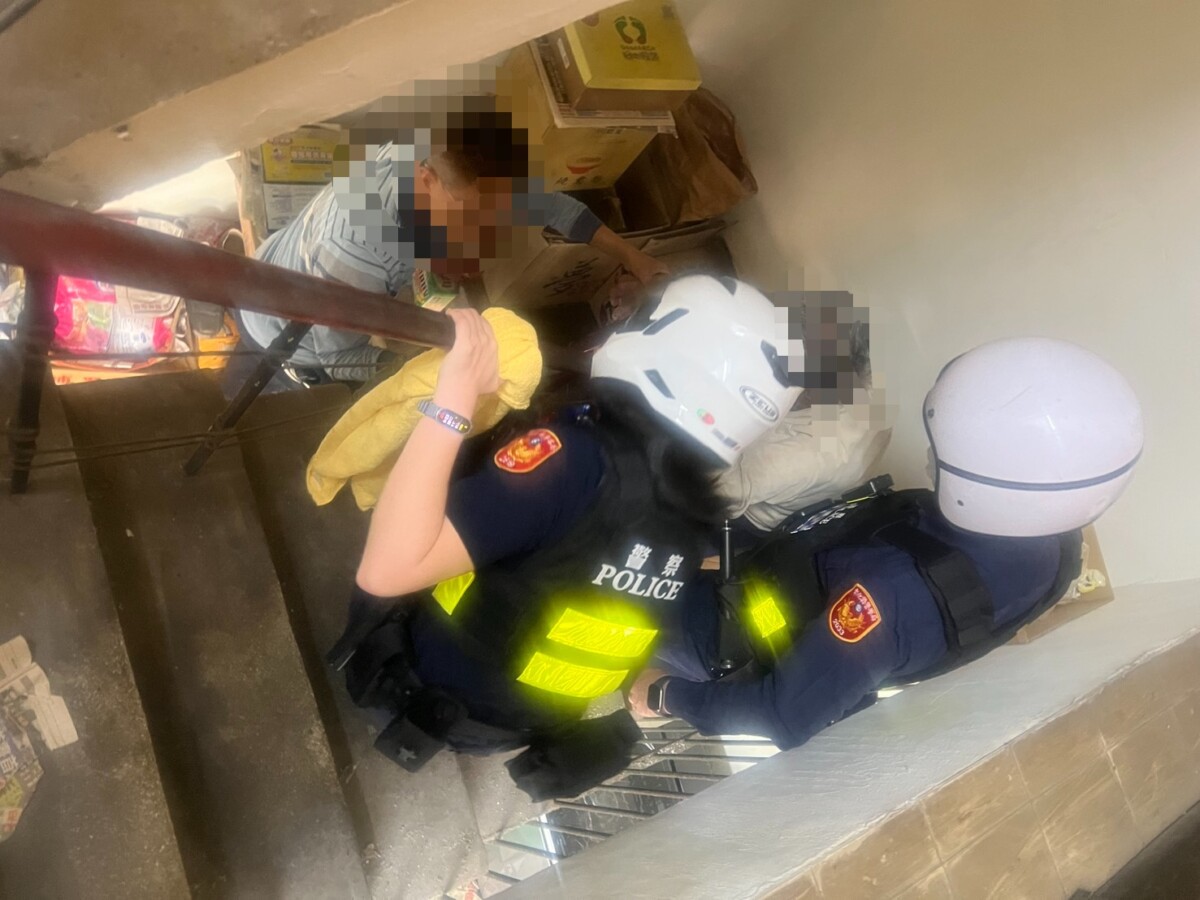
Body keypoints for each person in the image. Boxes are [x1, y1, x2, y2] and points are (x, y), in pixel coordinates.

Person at [329, 274, 802, 798]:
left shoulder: (579, 463)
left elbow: (387, 570)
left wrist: (455, 394)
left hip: (409, 677)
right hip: (505, 728)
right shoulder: (695, 528)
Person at [628, 337, 1144, 750]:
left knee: (620, 609)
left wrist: (664, 694)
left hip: (723, 633)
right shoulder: (1057, 540)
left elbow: (783, 716)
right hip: (758, 573)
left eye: (942, 455)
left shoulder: (885, 599)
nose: (930, 459)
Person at [240, 98, 668, 384]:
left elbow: (555, 208)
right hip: (284, 330)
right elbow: (340, 359)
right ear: (425, 178)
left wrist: (634, 257)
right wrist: (439, 368)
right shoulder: (351, 257)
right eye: (466, 213)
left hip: (300, 259)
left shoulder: (440, 157)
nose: (477, 229)